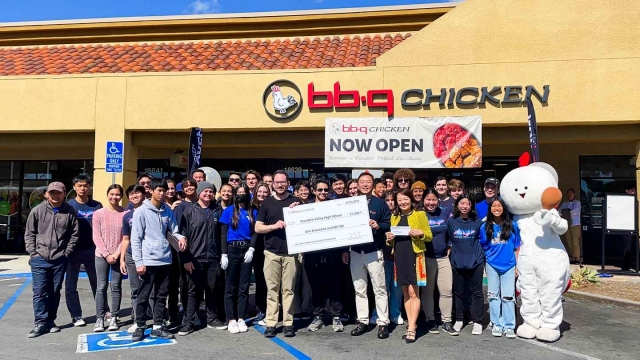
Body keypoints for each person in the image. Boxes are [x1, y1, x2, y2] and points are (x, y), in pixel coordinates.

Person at [130, 179, 187, 342]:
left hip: (165, 259)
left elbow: (174, 230)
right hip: (148, 261)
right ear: (152, 191)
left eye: (164, 190)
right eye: (159, 190)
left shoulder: (167, 211)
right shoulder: (141, 211)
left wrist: (181, 237)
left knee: (162, 296)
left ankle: (157, 326)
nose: (162, 193)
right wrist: (139, 262)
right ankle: (140, 326)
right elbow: (136, 238)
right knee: (143, 296)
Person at [25, 182, 79, 338]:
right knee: (40, 292)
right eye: (52, 192)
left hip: (59, 259)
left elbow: (74, 235)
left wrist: (66, 253)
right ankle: (40, 323)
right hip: (39, 258)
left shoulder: (69, 211)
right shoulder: (37, 211)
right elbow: (29, 234)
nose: (55, 195)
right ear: (46, 194)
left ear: (64, 194)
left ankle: (50, 321)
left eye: (59, 193)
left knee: (54, 291)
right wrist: (33, 253)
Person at [343, 172, 391, 339]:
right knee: (359, 289)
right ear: (357, 184)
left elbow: (388, 223)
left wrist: (378, 225)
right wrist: (345, 250)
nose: (364, 185)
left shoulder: (380, 203)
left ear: (373, 184)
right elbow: (343, 227)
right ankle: (362, 321)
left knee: (379, 288)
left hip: (374, 250)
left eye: (368, 182)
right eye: (361, 182)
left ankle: (383, 322)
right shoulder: (350, 203)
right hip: (355, 251)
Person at [255, 171, 300, 338]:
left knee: (288, 290)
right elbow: (258, 228)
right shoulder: (267, 203)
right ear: (272, 184)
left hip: (290, 253)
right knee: (272, 290)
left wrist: (298, 212)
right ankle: (271, 323)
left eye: (283, 182)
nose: (280, 185)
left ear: (287, 183)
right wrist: (275, 226)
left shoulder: (296, 201)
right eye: (277, 182)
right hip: (271, 253)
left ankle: (288, 323)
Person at [385, 189, 432, 343]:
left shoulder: (420, 214)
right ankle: (410, 324)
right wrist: (389, 238)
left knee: (414, 293)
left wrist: (420, 233)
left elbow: (429, 235)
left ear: (411, 200)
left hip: (415, 255)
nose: (403, 202)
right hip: (399, 256)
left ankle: (412, 326)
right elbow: (391, 240)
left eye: (405, 199)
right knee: (405, 292)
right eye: (399, 200)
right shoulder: (394, 216)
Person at [177, 181, 223, 336]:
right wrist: (186, 259)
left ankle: (212, 319)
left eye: (211, 192)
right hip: (194, 258)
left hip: (213, 258)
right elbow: (181, 237)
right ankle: (188, 322)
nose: (208, 194)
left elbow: (221, 234)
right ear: (199, 193)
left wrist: (222, 255)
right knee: (192, 291)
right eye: (205, 191)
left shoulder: (217, 210)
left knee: (212, 289)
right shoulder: (189, 211)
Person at [305, 179, 345, 333]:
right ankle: (318, 316)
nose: (322, 193)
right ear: (314, 191)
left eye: (325, 190)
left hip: (332, 253)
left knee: (334, 284)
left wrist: (343, 251)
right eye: (319, 190)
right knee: (315, 286)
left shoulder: (334, 206)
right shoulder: (305, 208)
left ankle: (336, 316)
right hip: (313, 255)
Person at [480, 198, 520, 339]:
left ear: (504, 208)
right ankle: (496, 323)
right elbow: (484, 246)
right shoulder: (485, 227)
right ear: (490, 209)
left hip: (509, 265)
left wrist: (517, 265)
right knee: (493, 295)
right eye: (494, 206)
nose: (497, 208)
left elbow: (516, 247)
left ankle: (509, 326)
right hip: (492, 265)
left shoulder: (512, 225)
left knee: (508, 297)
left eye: (499, 206)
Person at [66, 174, 102, 327]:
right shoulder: (68, 206)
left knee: (98, 284)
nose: (82, 188)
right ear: (74, 187)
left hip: (92, 250)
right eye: (79, 185)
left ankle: (103, 311)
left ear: (89, 187)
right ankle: (76, 316)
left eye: (85, 185)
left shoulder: (96, 205)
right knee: (70, 285)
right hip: (72, 251)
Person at [219, 182, 255, 334]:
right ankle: (231, 319)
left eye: (243, 192)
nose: (241, 194)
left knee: (244, 286)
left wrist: (252, 248)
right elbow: (222, 232)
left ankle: (241, 317)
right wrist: (224, 253)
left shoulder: (252, 211)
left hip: (246, 248)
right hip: (232, 249)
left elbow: (255, 231)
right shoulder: (228, 211)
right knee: (231, 286)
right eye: (238, 192)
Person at [447, 194, 484, 335]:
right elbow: (448, 238)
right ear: (457, 205)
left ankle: (478, 321)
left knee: (477, 292)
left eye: (467, 203)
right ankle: (459, 319)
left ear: (471, 206)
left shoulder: (478, 221)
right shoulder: (451, 221)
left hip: (476, 261)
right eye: (462, 203)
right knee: (459, 292)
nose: (464, 206)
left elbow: (483, 239)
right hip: (457, 261)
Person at [422, 189, 456, 336]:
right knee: (428, 291)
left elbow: (450, 231)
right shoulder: (419, 215)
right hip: (426, 258)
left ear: (438, 200)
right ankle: (430, 320)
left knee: (447, 290)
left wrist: (449, 245)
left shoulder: (445, 213)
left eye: (434, 200)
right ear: (423, 200)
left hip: (443, 257)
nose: (431, 203)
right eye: (428, 200)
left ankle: (446, 321)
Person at [92, 184, 126, 332]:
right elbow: (96, 236)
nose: (114, 197)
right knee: (101, 286)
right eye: (112, 194)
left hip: (118, 255)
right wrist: (106, 254)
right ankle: (100, 318)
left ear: (121, 196)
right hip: (101, 255)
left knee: (116, 286)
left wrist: (117, 254)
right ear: (107, 195)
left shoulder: (126, 213)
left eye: (117, 194)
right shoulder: (98, 213)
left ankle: (114, 317)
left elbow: (125, 237)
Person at [372, 190, 404, 327]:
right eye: (387, 200)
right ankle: (376, 313)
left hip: (398, 257)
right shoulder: (381, 216)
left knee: (396, 288)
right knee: (381, 287)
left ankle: (395, 313)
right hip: (382, 256)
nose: (390, 202)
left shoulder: (400, 215)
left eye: (392, 200)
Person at [119, 185, 147, 334]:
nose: (134, 196)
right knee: (135, 289)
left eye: (137, 193)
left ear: (143, 194)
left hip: (149, 255)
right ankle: (138, 320)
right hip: (131, 255)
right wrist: (122, 259)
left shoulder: (151, 211)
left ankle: (156, 320)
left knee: (152, 289)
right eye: (131, 194)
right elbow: (125, 239)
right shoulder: (127, 215)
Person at [251, 183, 271, 325]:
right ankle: (260, 308)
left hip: (269, 246)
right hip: (254, 248)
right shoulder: (250, 208)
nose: (262, 194)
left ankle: (270, 309)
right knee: (259, 280)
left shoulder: (271, 206)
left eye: (265, 192)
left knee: (270, 281)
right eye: (260, 191)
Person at [559, 188, 582, 263]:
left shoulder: (577, 203)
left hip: (575, 224)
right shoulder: (565, 203)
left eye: (571, 193)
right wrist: (566, 211)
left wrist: (566, 211)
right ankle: (572, 256)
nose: (570, 195)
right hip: (567, 224)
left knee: (575, 241)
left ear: (574, 194)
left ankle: (577, 258)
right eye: (568, 193)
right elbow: (559, 211)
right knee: (569, 241)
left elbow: (575, 211)